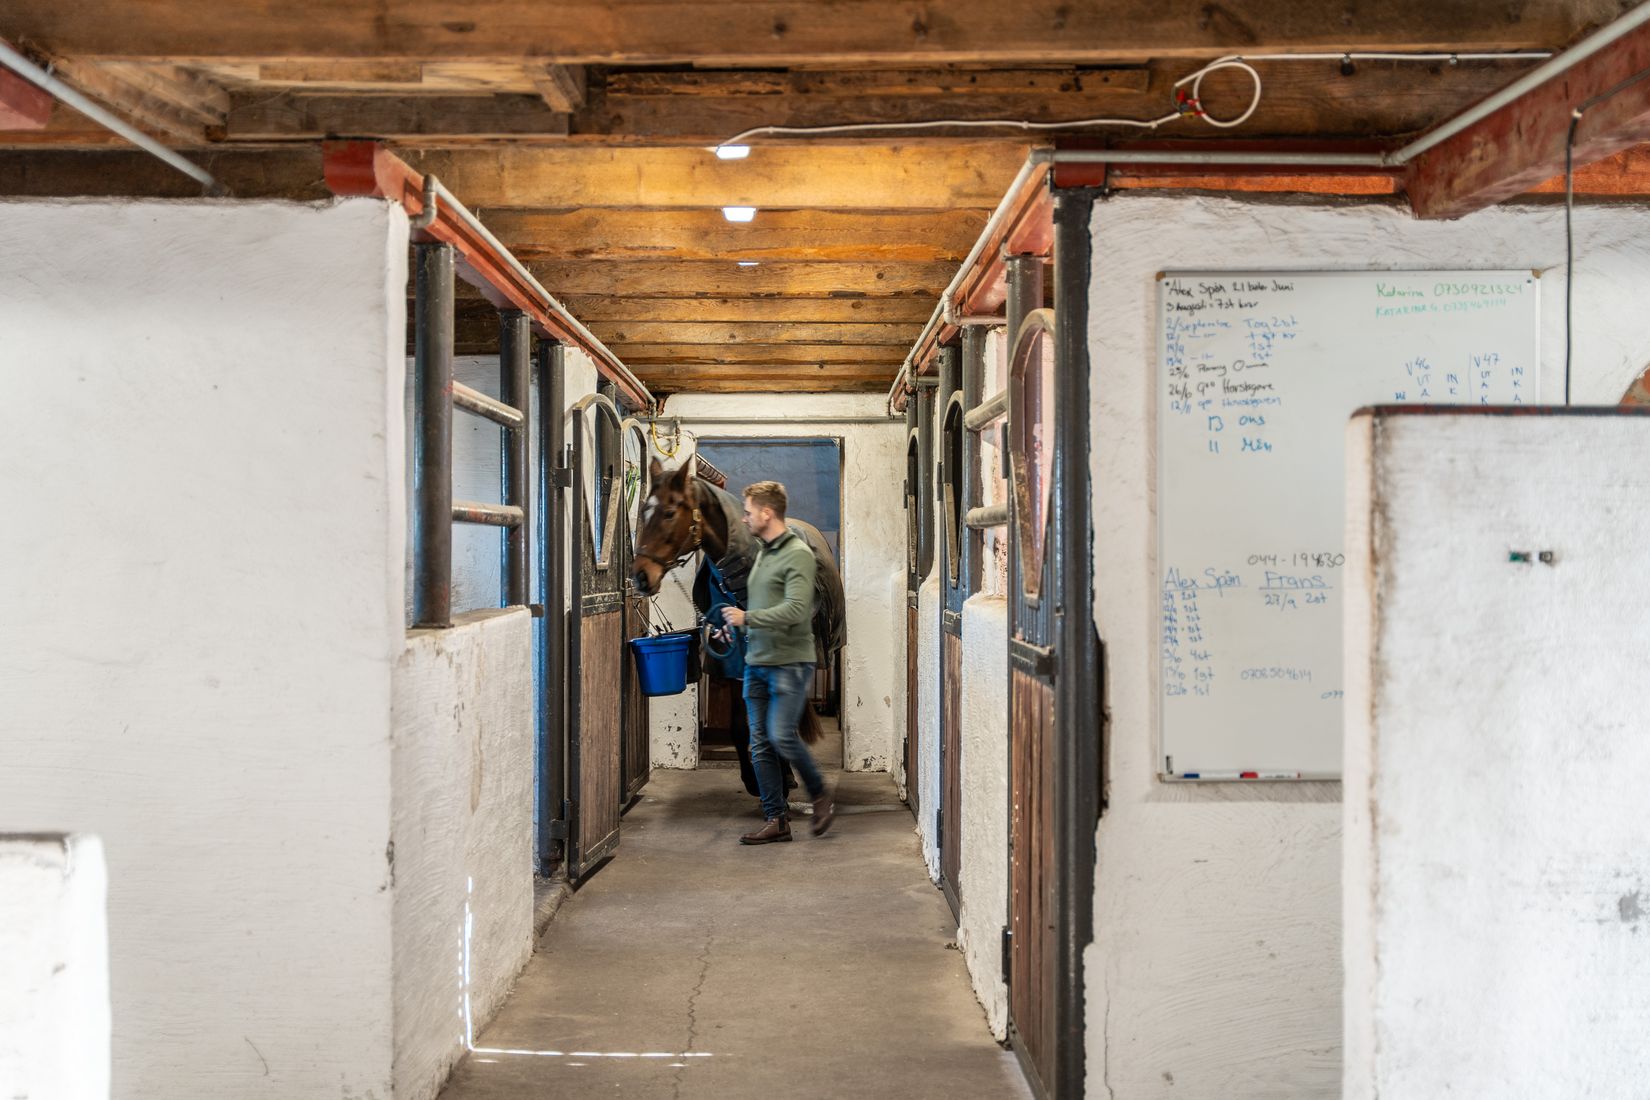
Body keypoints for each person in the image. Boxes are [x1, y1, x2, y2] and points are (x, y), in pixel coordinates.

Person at [719, 480, 835, 844]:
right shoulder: (763, 553)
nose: (745, 517)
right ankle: (776, 819)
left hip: (788, 662)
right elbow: (760, 603)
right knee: (759, 744)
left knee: (782, 735)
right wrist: (731, 629)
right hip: (758, 659)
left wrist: (747, 618)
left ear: (767, 513)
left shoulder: (798, 554)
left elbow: (798, 609)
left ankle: (819, 792)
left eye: (749, 511)